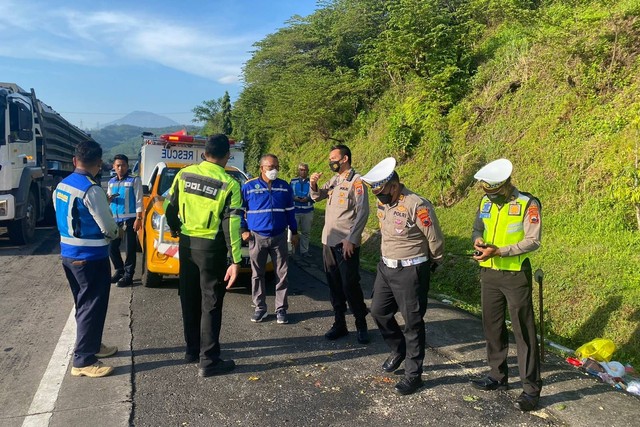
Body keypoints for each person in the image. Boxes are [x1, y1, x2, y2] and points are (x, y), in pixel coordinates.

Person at [361, 158, 445, 395]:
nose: (380, 197)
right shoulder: (383, 204)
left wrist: (435, 261)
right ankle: (398, 349)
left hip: (411, 271)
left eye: (382, 192)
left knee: (413, 323)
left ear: (394, 186)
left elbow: (435, 238)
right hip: (386, 268)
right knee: (378, 311)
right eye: (376, 193)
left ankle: (413, 374)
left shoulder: (417, 205)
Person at [164, 134, 243, 377]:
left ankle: (192, 349)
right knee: (211, 304)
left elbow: (170, 207)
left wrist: (176, 227)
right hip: (211, 248)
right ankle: (208, 361)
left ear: (203, 153)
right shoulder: (230, 184)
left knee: (188, 297)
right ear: (227, 156)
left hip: (187, 245)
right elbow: (232, 225)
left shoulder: (184, 174)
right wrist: (236, 259)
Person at [470, 158, 543, 411]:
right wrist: (479, 242)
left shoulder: (527, 203)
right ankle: (497, 376)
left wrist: (500, 251)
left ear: (504, 185)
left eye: (493, 191)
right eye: (486, 191)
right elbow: (477, 227)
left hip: (515, 276)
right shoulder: (485, 202)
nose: (489, 196)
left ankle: (531, 390)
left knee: (524, 332)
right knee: (492, 327)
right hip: (489, 274)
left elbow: (533, 241)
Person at [53, 140, 119, 378]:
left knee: (84, 303)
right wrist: (115, 234)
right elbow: (108, 226)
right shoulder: (91, 189)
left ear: (74, 160)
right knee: (92, 305)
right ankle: (83, 360)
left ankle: (93, 345)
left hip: (69, 253)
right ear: (99, 163)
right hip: (90, 256)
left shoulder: (62, 185)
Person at [309, 144, 370, 344]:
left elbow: (362, 212)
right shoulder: (335, 180)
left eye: (334, 158)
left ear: (344, 159)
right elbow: (317, 197)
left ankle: (361, 324)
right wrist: (314, 184)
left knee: (349, 284)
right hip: (328, 241)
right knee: (334, 284)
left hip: (346, 244)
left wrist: (352, 239)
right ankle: (340, 323)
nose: (331, 161)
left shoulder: (357, 181)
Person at [241, 154, 299, 324]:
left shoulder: (284, 187)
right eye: (270, 167)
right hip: (257, 237)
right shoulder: (249, 187)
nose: (274, 170)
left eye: (276, 167)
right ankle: (260, 308)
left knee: (282, 274)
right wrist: (243, 229)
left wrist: (294, 232)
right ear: (261, 168)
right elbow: (240, 211)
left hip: (279, 236)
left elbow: (290, 211)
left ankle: (281, 309)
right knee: (257, 274)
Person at [107, 154, 143, 287]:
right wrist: (108, 199)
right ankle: (119, 270)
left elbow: (139, 200)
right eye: (118, 165)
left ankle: (128, 275)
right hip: (114, 220)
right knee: (111, 248)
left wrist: (138, 218)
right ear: (114, 167)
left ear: (127, 166)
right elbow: (108, 201)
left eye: (123, 165)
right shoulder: (111, 182)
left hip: (130, 219)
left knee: (129, 249)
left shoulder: (134, 180)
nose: (120, 168)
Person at [290, 162, 314, 258]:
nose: (303, 172)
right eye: (301, 170)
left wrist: (308, 198)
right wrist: (294, 198)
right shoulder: (293, 181)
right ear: (298, 171)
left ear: (308, 171)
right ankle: (292, 250)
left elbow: (316, 194)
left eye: (305, 170)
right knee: (292, 231)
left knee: (306, 232)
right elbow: (288, 193)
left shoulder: (311, 182)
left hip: (307, 211)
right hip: (295, 210)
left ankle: (304, 251)